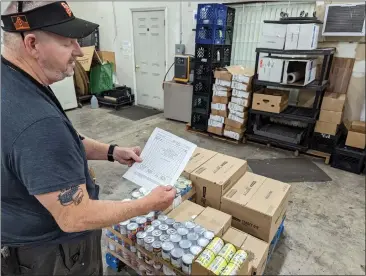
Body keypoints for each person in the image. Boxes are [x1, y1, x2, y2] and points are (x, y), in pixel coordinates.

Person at [1, 1, 176, 275]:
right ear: (32, 44)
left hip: (18, 242)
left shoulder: (12, 80)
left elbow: (65, 140)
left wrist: (111, 151)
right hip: (54, 255)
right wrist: (146, 205)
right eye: (67, 42)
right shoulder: (38, 123)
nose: (78, 51)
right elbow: (75, 216)